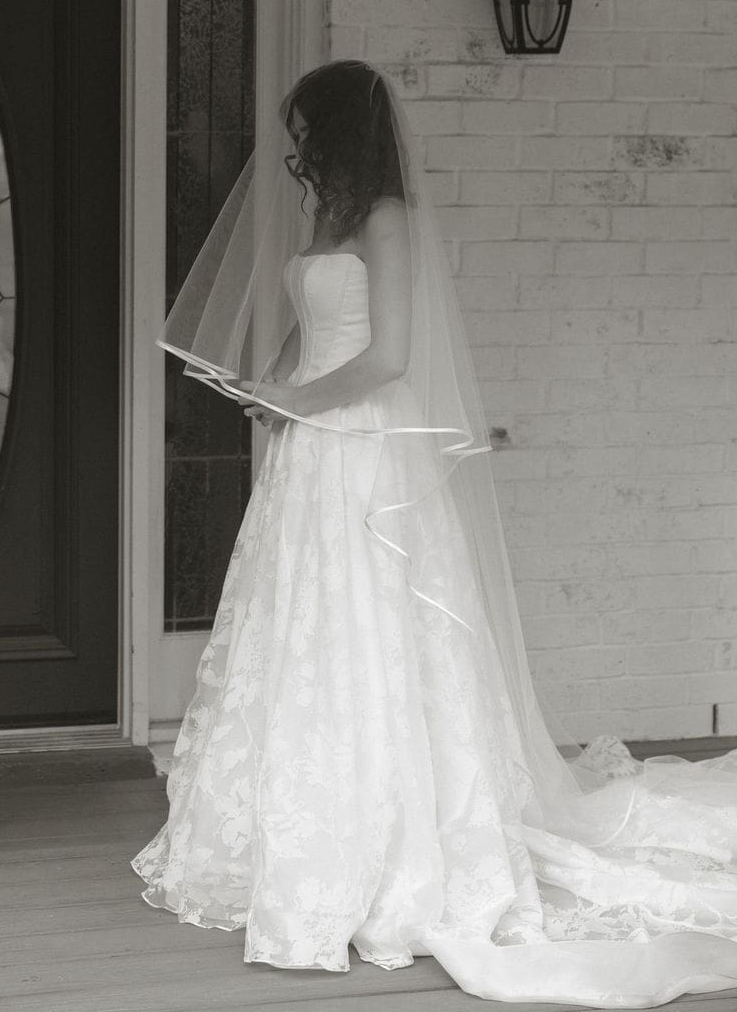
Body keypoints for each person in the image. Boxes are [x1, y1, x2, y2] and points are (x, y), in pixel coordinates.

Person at [134, 61, 737, 1007]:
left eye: (307, 130)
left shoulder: (387, 219)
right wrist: (271, 387)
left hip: (364, 448)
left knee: (373, 626)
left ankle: (393, 842)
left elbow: (389, 357)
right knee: (307, 630)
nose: (295, 148)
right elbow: (313, 328)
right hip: (310, 450)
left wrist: (301, 401)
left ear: (342, 133)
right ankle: (295, 826)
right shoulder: (330, 217)